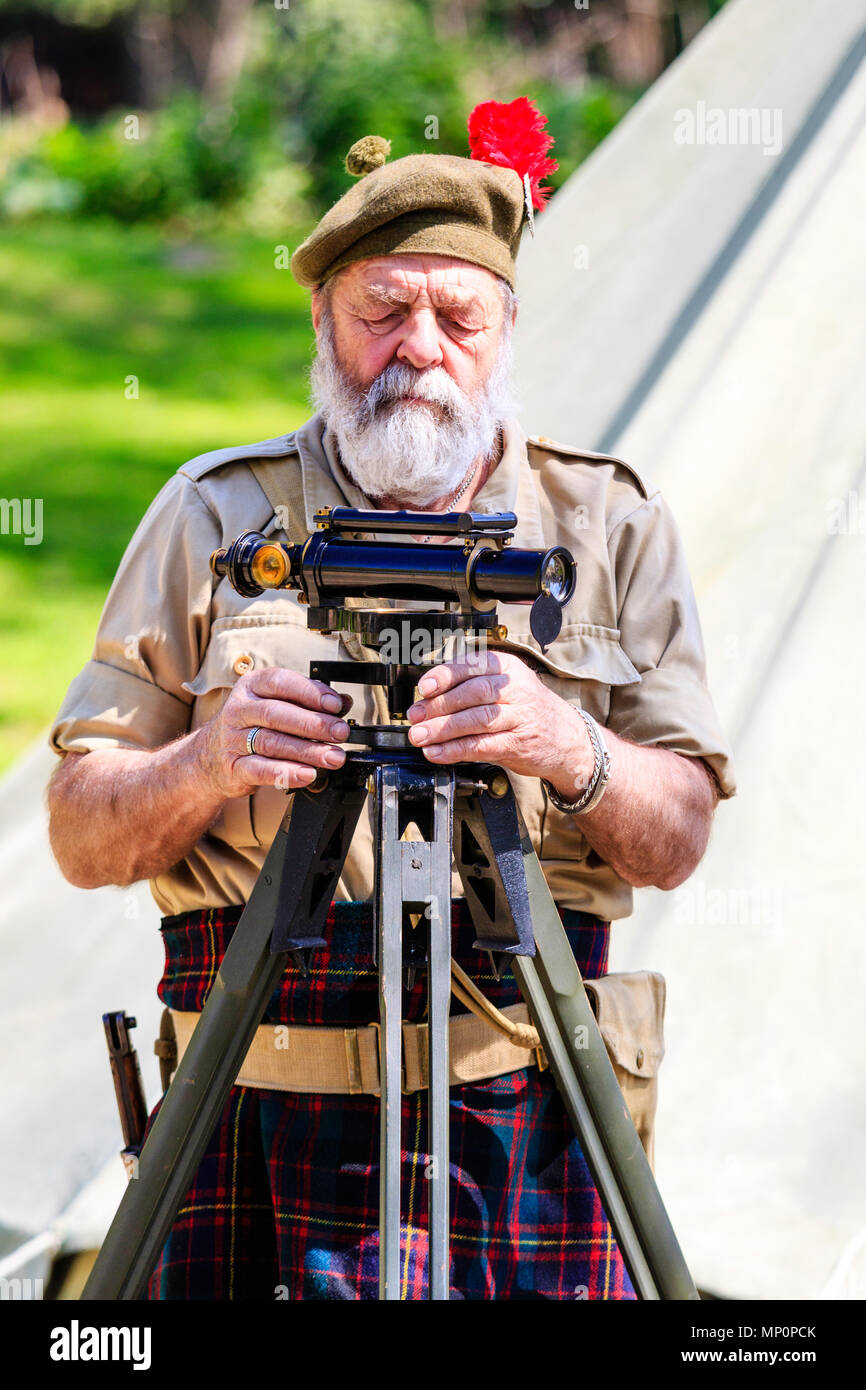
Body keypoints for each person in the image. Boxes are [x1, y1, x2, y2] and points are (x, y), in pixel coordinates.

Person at [46, 100, 736, 1300]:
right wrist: (204, 760)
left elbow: (676, 834)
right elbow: (78, 827)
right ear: (324, 320)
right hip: (248, 1116)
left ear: (504, 329)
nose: (419, 345)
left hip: (529, 1117)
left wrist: (569, 744)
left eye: (456, 315)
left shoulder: (606, 522)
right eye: (382, 310)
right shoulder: (216, 517)